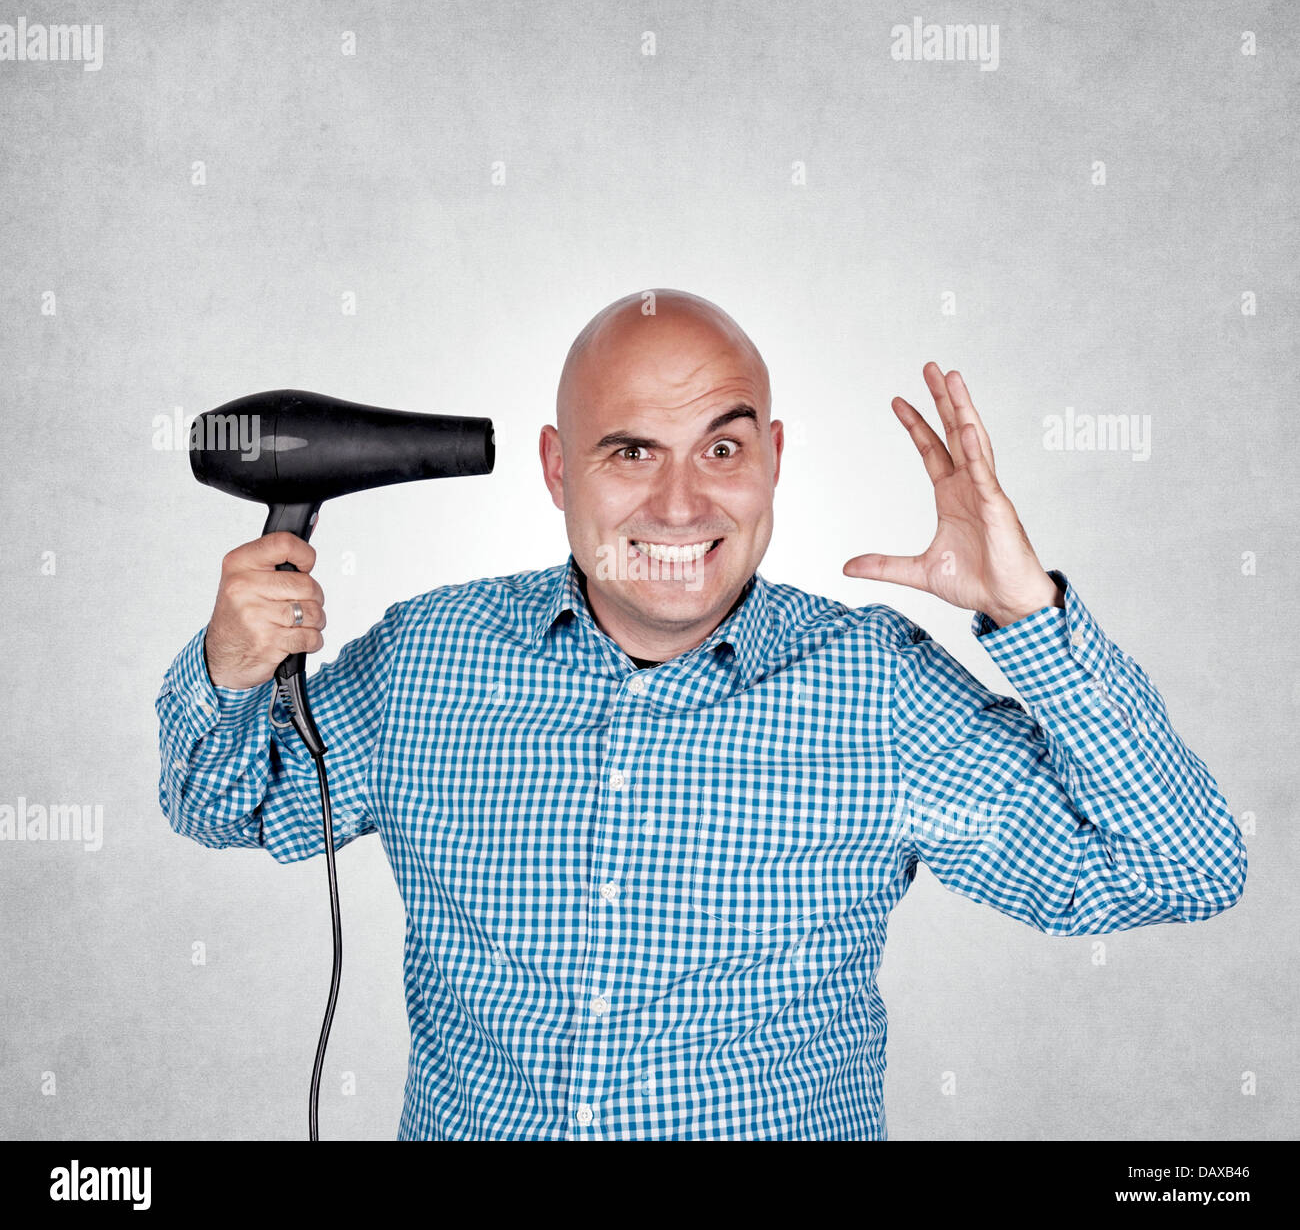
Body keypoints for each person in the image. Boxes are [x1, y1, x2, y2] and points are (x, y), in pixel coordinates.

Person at [156, 288, 1246, 1140]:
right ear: (554, 469)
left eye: (722, 450)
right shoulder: (430, 660)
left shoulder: (879, 693)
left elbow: (1183, 869)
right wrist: (233, 664)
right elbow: (226, 804)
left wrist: (1029, 613)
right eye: (630, 451)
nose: (680, 506)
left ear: (772, 460)